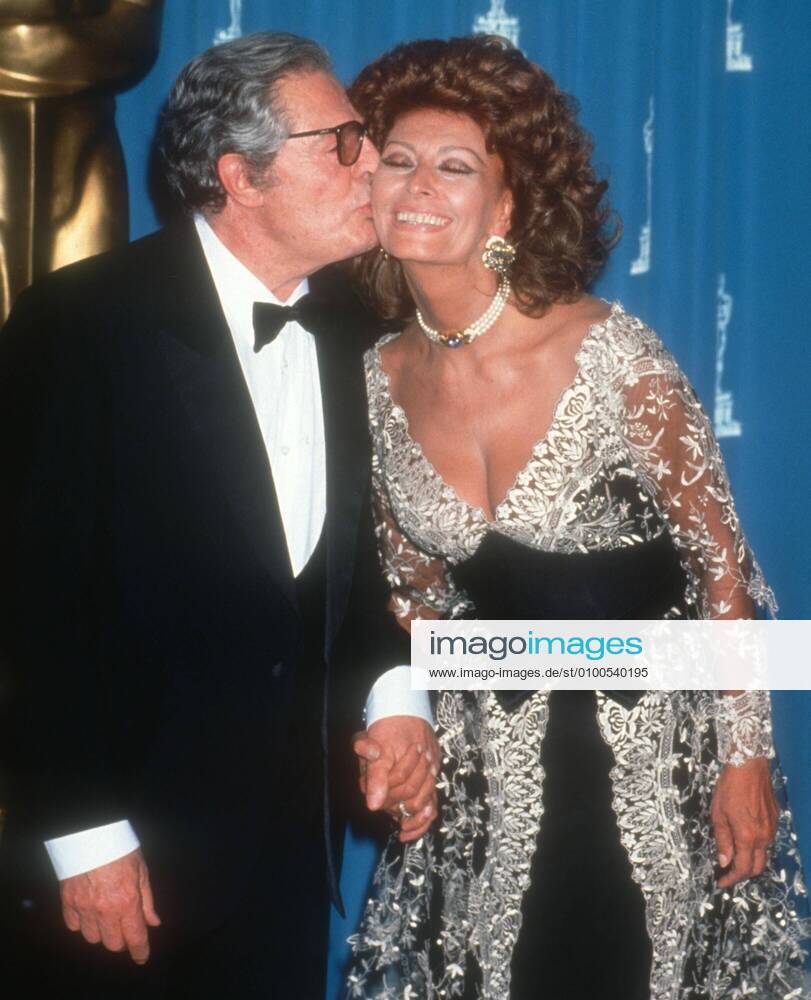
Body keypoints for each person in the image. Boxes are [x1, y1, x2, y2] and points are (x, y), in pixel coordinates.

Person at [346, 36, 809, 1000]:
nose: (418, 185)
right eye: (397, 159)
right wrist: (412, 727)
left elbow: (725, 574)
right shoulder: (374, 376)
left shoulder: (610, 356)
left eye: (454, 166)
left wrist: (745, 760)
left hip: (648, 760)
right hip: (483, 770)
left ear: (506, 205)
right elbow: (409, 595)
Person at [0, 32, 438, 999]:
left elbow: (349, 578)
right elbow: (31, 606)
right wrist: (83, 837)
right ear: (241, 176)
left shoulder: (356, 333)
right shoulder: (80, 324)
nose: (374, 163)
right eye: (344, 141)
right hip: (118, 867)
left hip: (284, 863)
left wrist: (396, 705)